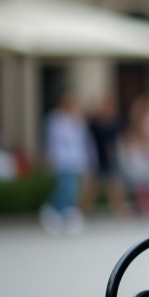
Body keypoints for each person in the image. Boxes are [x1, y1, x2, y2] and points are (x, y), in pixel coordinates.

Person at [39, 92, 96, 235]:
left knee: (72, 190)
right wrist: (50, 158)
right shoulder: (55, 119)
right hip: (62, 160)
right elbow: (52, 141)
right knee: (65, 188)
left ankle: (64, 216)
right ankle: (55, 212)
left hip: (75, 160)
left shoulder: (77, 119)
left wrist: (87, 160)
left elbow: (83, 142)